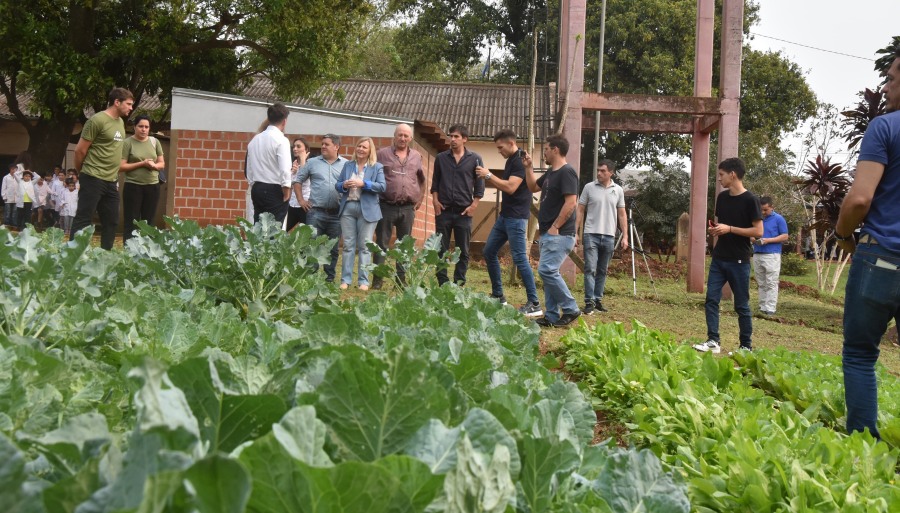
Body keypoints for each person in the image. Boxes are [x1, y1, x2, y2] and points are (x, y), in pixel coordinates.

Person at [834, 49, 900, 440]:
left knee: (860, 354)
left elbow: (860, 199)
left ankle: (862, 450)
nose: (886, 86)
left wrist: (843, 235)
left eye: (891, 78)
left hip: (881, 258)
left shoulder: (884, 128)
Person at [692, 157, 763, 354]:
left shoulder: (751, 200)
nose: (719, 179)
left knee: (741, 305)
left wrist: (730, 228)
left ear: (733, 175)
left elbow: (758, 232)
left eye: (721, 175)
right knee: (711, 300)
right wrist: (716, 230)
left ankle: (745, 346)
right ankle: (713, 341)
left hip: (739, 260)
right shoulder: (722, 198)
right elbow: (722, 225)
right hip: (719, 257)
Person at [475, 129, 542, 317]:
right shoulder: (510, 160)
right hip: (506, 216)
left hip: (516, 218)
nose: (499, 151)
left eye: (500, 147)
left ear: (511, 143)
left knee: (520, 257)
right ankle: (498, 296)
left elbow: (511, 188)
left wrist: (488, 176)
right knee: (489, 251)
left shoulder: (520, 160)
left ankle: (534, 303)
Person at [523, 134, 581, 327]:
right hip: (548, 232)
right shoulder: (551, 173)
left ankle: (571, 308)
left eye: (546, 149)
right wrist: (528, 167)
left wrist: (556, 226)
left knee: (546, 270)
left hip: (560, 233)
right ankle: (552, 316)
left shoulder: (567, 172)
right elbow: (532, 187)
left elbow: (571, 202)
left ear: (555, 149)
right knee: (549, 272)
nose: (544, 153)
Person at [71, 87, 134, 249]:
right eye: (128, 104)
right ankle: (73, 255)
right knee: (84, 219)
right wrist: (82, 172)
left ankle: (104, 256)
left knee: (112, 221)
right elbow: (80, 150)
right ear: (117, 102)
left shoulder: (120, 122)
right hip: (92, 177)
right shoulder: (96, 120)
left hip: (111, 181)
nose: (131, 108)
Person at [372, 123, 426, 289]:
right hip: (385, 206)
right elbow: (373, 178)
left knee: (405, 246)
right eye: (400, 135)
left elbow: (422, 180)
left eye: (406, 136)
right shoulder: (381, 155)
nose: (403, 138)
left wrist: (420, 200)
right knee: (381, 243)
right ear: (394, 136)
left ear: (410, 138)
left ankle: (401, 281)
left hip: (408, 208)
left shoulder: (417, 156)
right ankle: (377, 281)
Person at [430, 124, 485, 286]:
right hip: (444, 210)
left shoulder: (475, 159)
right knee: (440, 249)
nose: (452, 139)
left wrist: (474, 205)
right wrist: (435, 201)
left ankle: (459, 283)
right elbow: (435, 182)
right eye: (451, 136)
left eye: (456, 137)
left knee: (463, 251)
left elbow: (479, 186)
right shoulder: (441, 158)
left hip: (464, 213)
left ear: (464, 139)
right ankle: (443, 283)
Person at [576, 159, 628, 315]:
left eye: (603, 171)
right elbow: (580, 210)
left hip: (609, 236)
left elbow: (622, 214)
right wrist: (575, 232)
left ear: (611, 172)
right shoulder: (589, 188)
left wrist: (625, 236)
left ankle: (598, 300)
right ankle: (589, 302)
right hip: (590, 233)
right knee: (590, 268)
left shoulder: (618, 190)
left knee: (602, 270)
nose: (599, 173)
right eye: (598, 170)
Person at [335, 137, 386, 290]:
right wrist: (344, 184)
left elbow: (382, 186)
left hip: (368, 210)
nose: (361, 149)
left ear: (370, 150)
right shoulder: (348, 165)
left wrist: (364, 184)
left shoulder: (377, 167)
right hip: (348, 208)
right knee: (348, 245)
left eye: (364, 147)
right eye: (359, 146)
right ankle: (345, 280)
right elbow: (337, 185)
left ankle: (363, 282)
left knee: (364, 246)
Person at [295, 134, 347, 282]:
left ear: (336, 147)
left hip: (337, 214)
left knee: (333, 248)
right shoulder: (312, 163)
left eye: (327, 144)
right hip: (315, 213)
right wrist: (301, 200)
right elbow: (298, 181)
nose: (323, 146)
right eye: (322, 144)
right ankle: (310, 278)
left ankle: (329, 280)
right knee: (312, 246)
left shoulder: (346, 164)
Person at [120, 115, 165, 241]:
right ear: (134, 127)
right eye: (140, 126)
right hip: (133, 186)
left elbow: (162, 163)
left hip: (152, 186)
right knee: (131, 222)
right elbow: (121, 166)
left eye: (146, 127)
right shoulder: (127, 143)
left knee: (148, 222)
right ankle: (129, 250)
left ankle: (146, 251)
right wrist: (142, 163)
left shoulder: (155, 142)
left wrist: (154, 166)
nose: (143, 129)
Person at [246, 102, 292, 224]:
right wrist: (286, 188)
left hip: (257, 187)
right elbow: (285, 168)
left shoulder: (255, 140)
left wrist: (253, 184)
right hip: (275, 188)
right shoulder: (282, 140)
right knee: (274, 230)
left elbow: (249, 168)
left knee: (258, 226)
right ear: (284, 121)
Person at [751, 196, 789, 315]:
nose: (763, 212)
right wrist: (752, 238)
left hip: (772, 254)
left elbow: (785, 236)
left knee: (771, 282)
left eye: (765, 210)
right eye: (761, 209)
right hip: (757, 253)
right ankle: (763, 306)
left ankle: (770, 308)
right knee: (761, 282)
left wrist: (768, 240)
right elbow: (750, 232)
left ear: (772, 207)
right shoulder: (756, 218)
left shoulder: (779, 219)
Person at [285, 138, 311, 231]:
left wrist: (303, 160)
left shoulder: (310, 164)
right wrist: (292, 172)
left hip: (305, 205)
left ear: (306, 149)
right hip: (292, 204)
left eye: (298, 146)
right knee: (282, 230)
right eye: (294, 146)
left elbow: (303, 178)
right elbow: (287, 184)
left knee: (307, 236)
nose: (295, 149)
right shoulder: (293, 165)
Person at [2, 164, 18, 228]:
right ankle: (6, 224)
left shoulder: (17, 178)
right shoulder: (6, 177)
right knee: (7, 212)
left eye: (16, 169)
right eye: (14, 169)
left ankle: (14, 225)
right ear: (11, 169)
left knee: (14, 213)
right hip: (8, 197)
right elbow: (3, 187)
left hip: (16, 197)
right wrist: (4, 196)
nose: (15, 171)